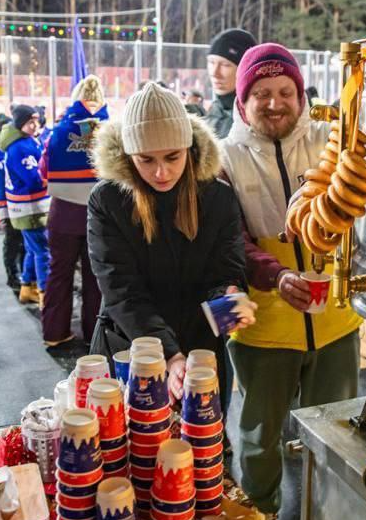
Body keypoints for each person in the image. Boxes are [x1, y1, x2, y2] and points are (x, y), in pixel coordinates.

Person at [220, 43, 363, 514]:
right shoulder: (225, 159)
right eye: (261, 92)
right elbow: (231, 241)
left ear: (301, 96)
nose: (275, 102)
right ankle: (258, 509)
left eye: (285, 90)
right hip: (264, 325)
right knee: (260, 440)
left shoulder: (334, 142)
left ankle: (328, 510)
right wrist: (277, 276)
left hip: (337, 321)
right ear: (243, 102)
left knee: (338, 434)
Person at [88, 82, 253, 412]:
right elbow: (122, 290)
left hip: (200, 351)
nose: (161, 172)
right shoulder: (107, 201)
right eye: (146, 160)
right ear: (127, 155)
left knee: (203, 447)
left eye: (172, 157)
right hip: (132, 345)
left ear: (189, 150)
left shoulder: (217, 197)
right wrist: (167, 353)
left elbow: (225, 270)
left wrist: (230, 299)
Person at [41, 75, 108, 348]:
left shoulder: (58, 130)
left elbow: (43, 172)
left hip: (63, 212)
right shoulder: (109, 130)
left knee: (59, 274)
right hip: (99, 215)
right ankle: (94, 333)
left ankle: (55, 333)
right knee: (95, 278)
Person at [0, 105, 50, 306]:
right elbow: (33, 179)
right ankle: (46, 294)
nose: (35, 125)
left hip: (29, 208)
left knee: (32, 248)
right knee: (42, 250)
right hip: (30, 209)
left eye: (36, 121)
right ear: (21, 124)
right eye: (31, 122)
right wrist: (49, 178)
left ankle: (27, 287)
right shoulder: (19, 147)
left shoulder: (26, 141)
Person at [0, 113, 26, 293]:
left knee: (22, 241)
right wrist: (3, 209)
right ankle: (13, 276)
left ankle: (23, 276)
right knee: (12, 240)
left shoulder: (11, 149)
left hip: (18, 202)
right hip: (8, 203)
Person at [205, 28, 257, 139]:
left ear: (245, 71)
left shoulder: (255, 120)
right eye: (211, 62)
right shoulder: (215, 111)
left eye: (225, 65)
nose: (215, 73)